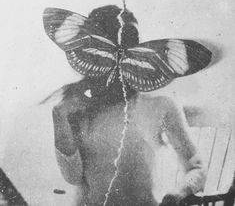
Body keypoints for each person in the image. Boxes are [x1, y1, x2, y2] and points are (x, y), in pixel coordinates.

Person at [52, 74, 206, 206]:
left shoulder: (160, 104)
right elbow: (72, 177)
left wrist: (177, 195)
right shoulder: (77, 109)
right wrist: (60, 120)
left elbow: (197, 169)